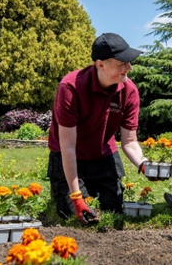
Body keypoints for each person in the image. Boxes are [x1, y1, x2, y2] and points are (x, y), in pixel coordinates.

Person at [47, 33, 152, 224]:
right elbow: (68, 146)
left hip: (103, 153)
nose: (129, 67)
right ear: (100, 64)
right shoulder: (70, 87)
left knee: (113, 209)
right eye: (123, 62)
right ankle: (65, 190)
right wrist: (76, 197)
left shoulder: (129, 91)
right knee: (74, 215)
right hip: (68, 154)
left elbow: (129, 141)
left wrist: (144, 165)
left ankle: (92, 187)